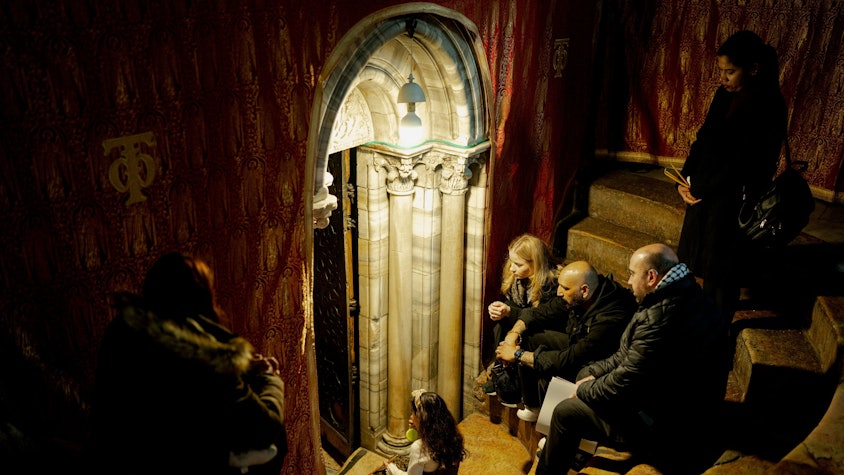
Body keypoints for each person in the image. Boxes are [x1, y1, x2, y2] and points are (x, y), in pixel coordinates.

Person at [535, 244, 729, 475]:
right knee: (584, 373)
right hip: (669, 402)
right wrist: (594, 373)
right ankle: (572, 449)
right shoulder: (686, 295)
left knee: (566, 411)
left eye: (631, 273)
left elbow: (626, 381)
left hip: (664, 424)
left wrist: (586, 389)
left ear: (651, 277)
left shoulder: (661, 317)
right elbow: (627, 356)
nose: (628, 281)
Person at [87, 252, 287, 475]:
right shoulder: (207, 355)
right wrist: (270, 378)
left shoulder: (123, 331)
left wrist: (241, 369)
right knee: (277, 442)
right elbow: (265, 429)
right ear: (204, 298)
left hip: (118, 459)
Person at [676, 30, 788, 322]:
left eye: (730, 72)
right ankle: (694, 317)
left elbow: (747, 161)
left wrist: (703, 186)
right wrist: (685, 177)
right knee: (697, 260)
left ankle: (717, 330)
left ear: (752, 69)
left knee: (722, 270)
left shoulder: (768, 103)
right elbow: (704, 137)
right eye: (721, 71)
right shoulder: (723, 95)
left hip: (733, 199)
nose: (723, 78)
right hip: (706, 192)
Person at [495, 261, 636, 422]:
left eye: (565, 288)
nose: (560, 292)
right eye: (560, 286)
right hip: (577, 345)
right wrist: (512, 335)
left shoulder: (610, 317)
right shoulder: (578, 295)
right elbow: (538, 313)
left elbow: (572, 357)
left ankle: (553, 426)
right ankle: (533, 405)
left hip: (599, 365)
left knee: (562, 366)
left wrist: (517, 354)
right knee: (529, 335)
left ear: (584, 290)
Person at [484, 233, 561, 401]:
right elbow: (516, 305)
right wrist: (502, 309)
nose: (512, 268)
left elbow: (538, 317)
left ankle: (520, 386)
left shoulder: (552, 285)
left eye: (518, 264)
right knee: (500, 325)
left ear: (536, 263)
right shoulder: (518, 279)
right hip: (526, 320)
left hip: (545, 329)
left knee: (526, 336)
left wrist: (510, 312)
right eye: (512, 262)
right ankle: (501, 372)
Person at [380, 389, 466, 475]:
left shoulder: (419, 448)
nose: (411, 416)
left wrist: (391, 468)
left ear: (421, 418)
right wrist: (418, 428)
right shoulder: (452, 436)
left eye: (413, 413)